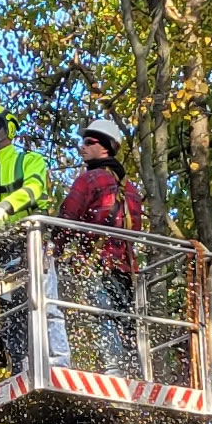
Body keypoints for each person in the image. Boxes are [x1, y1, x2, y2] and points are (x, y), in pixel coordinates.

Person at [0, 105, 70, 372]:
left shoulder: (29, 161)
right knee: (13, 314)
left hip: (33, 244)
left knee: (45, 305)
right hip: (4, 253)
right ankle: (23, 366)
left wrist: (5, 206)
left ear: (9, 127)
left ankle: (58, 364)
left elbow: (34, 188)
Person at [56, 119, 142, 376]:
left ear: (105, 147)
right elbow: (135, 231)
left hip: (97, 266)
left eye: (88, 142)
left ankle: (114, 372)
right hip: (126, 270)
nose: (81, 147)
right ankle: (131, 372)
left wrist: (52, 253)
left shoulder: (89, 179)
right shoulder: (131, 189)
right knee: (125, 323)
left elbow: (66, 219)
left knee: (102, 318)